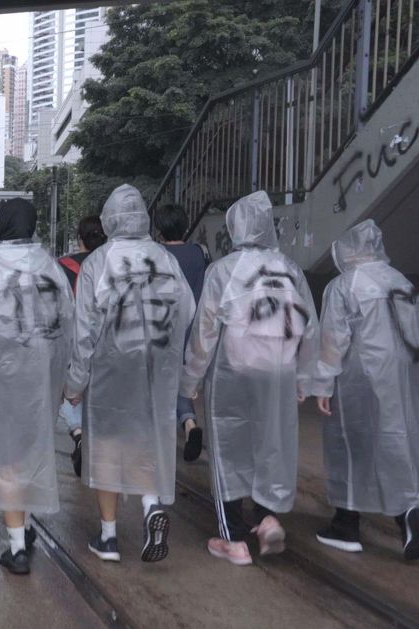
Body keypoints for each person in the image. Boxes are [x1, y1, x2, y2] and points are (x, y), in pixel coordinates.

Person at [180, 191, 318, 567]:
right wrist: (307, 379)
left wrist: (190, 379)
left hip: (233, 373)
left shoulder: (223, 270)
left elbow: (205, 332)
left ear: (234, 227)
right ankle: (268, 517)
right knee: (270, 445)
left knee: (228, 448)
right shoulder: (291, 269)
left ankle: (233, 540)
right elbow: (310, 327)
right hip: (281, 371)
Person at [64, 185, 195, 564]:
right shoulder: (165, 259)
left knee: (106, 444)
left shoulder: (97, 263)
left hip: (111, 365)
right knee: (145, 436)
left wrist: (75, 383)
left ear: (109, 220)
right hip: (156, 364)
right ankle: (151, 504)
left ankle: (108, 537)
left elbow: (84, 330)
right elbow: (186, 310)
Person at [0, 198, 74, 576]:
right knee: (32, 446)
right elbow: (69, 320)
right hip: (45, 372)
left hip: (3, 372)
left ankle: (17, 546)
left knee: (6, 452)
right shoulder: (51, 267)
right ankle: (24, 522)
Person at [310, 220, 419, 561]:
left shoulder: (344, 286)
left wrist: (322, 383)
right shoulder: (403, 283)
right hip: (403, 376)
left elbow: (334, 340)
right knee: (399, 441)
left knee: (351, 445)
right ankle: (410, 512)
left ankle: (346, 525)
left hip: (359, 376)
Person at [154, 203, 210, 462]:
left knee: (163, 384)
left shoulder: (156, 255)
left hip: (164, 327)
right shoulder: (200, 253)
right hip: (195, 328)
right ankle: (189, 424)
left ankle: (168, 435)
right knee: (183, 382)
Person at [58, 215, 106, 477]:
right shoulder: (113, 264)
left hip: (72, 339)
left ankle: (78, 433)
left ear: (79, 239)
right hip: (109, 341)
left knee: (72, 390)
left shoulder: (63, 266)